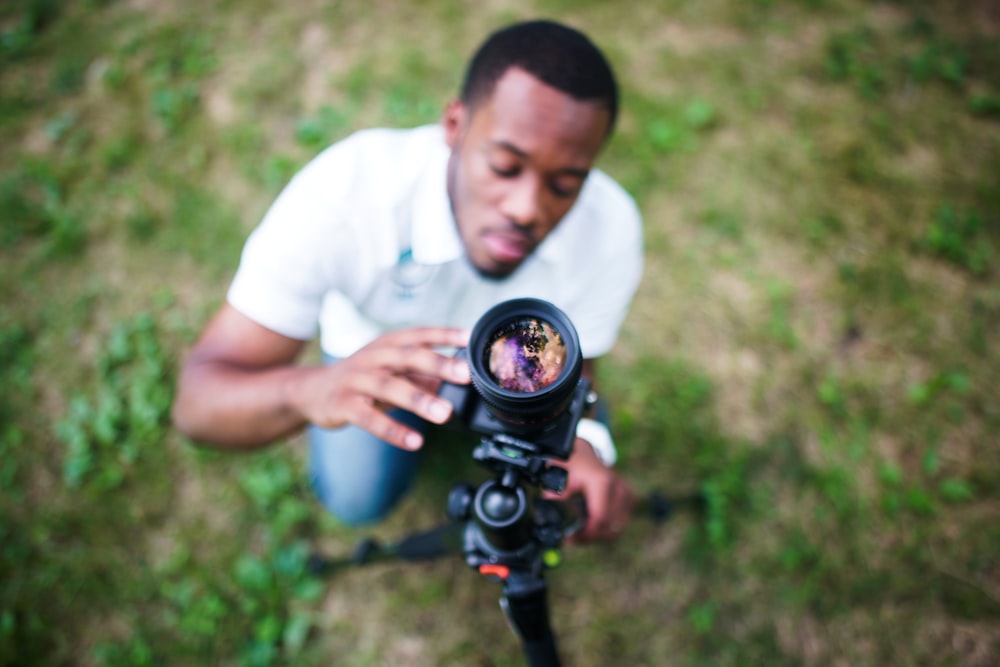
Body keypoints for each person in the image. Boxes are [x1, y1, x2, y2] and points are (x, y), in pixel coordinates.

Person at [172, 19, 643, 543]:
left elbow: (583, 369)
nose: (527, 209)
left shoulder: (611, 228)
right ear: (454, 124)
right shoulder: (344, 200)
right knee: (356, 497)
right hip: (372, 356)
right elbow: (197, 403)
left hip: (527, 372)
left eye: (564, 184)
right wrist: (312, 389)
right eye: (505, 166)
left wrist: (589, 442)